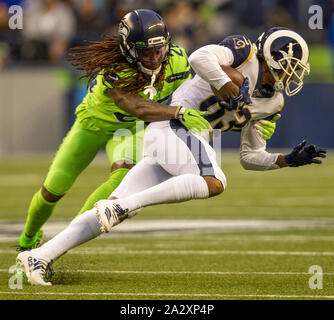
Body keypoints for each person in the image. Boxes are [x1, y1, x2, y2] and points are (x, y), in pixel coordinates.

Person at [16, 27, 327, 285]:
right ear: (272, 57)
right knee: (215, 181)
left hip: (181, 142)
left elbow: (250, 155)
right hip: (174, 125)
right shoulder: (243, 50)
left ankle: (38, 256)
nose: (291, 75)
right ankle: (122, 207)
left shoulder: (273, 104)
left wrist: (285, 160)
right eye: (289, 67)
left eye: (295, 70)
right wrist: (230, 88)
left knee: (110, 210)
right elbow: (199, 56)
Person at [17, 9, 210, 252]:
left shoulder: (178, 60)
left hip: (130, 130)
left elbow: (191, 93)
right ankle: (28, 238)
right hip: (94, 124)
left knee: (123, 176)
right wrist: (178, 112)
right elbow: (136, 106)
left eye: (158, 50)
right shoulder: (115, 67)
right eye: (145, 52)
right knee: (52, 191)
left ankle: (60, 243)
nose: (154, 58)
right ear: (128, 49)